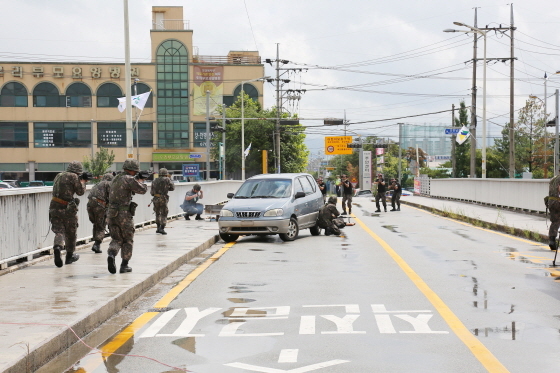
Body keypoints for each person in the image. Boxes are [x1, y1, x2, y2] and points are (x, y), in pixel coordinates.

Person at [106, 159, 148, 274]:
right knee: (128, 239)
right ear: (133, 170)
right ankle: (124, 265)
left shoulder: (115, 178)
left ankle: (111, 254)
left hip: (111, 213)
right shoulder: (128, 179)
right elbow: (142, 190)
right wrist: (141, 180)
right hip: (124, 214)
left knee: (116, 238)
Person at [49, 161, 87, 267]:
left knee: (59, 231)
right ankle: (69, 256)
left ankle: (57, 247)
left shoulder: (59, 175)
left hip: (54, 206)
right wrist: (83, 181)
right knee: (71, 232)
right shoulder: (74, 176)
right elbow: (80, 192)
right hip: (67, 209)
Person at [87, 172, 113, 253]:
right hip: (100, 204)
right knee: (101, 225)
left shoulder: (97, 184)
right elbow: (111, 196)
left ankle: (95, 242)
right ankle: (97, 244)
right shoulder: (108, 184)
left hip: (90, 204)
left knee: (96, 223)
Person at [150, 168, 175, 235]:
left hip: (155, 198)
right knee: (164, 213)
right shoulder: (167, 179)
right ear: (166, 174)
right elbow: (172, 188)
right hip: (163, 198)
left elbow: (151, 192)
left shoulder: (154, 180)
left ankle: (158, 228)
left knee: (157, 213)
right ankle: (162, 228)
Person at [547, 171, 560, 250]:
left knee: (555, 221)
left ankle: (552, 241)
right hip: (558, 201)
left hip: (551, 202)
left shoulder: (553, 179)